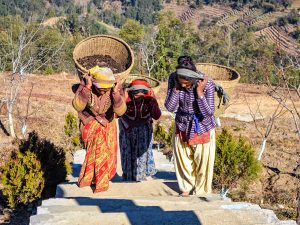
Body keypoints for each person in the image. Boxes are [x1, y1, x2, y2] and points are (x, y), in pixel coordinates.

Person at [164, 56, 216, 197]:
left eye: (187, 84)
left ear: (193, 80)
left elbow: (208, 112)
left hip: (202, 126)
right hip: (182, 124)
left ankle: (201, 192)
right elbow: (170, 107)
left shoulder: (207, 84)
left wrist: (199, 92)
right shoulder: (174, 80)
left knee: (203, 162)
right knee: (183, 160)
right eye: (181, 83)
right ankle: (186, 187)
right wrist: (175, 89)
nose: (184, 86)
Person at [72, 66, 126, 193]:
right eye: (100, 87)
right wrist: (87, 87)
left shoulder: (115, 88)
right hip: (90, 122)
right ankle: (96, 180)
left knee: (106, 152)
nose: (103, 90)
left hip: (108, 123)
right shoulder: (85, 85)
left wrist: (115, 93)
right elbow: (78, 106)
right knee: (97, 148)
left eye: (106, 87)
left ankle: (98, 178)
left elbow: (121, 111)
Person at [119, 79, 161, 181]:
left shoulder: (149, 100)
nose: (139, 94)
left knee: (142, 153)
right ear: (131, 91)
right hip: (127, 130)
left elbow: (157, 115)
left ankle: (140, 176)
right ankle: (128, 176)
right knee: (127, 153)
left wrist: (153, 100)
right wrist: (123, 99)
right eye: (136, 92)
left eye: (142, 91)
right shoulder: (126, 99)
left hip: (143, 131)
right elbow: (118, 113)